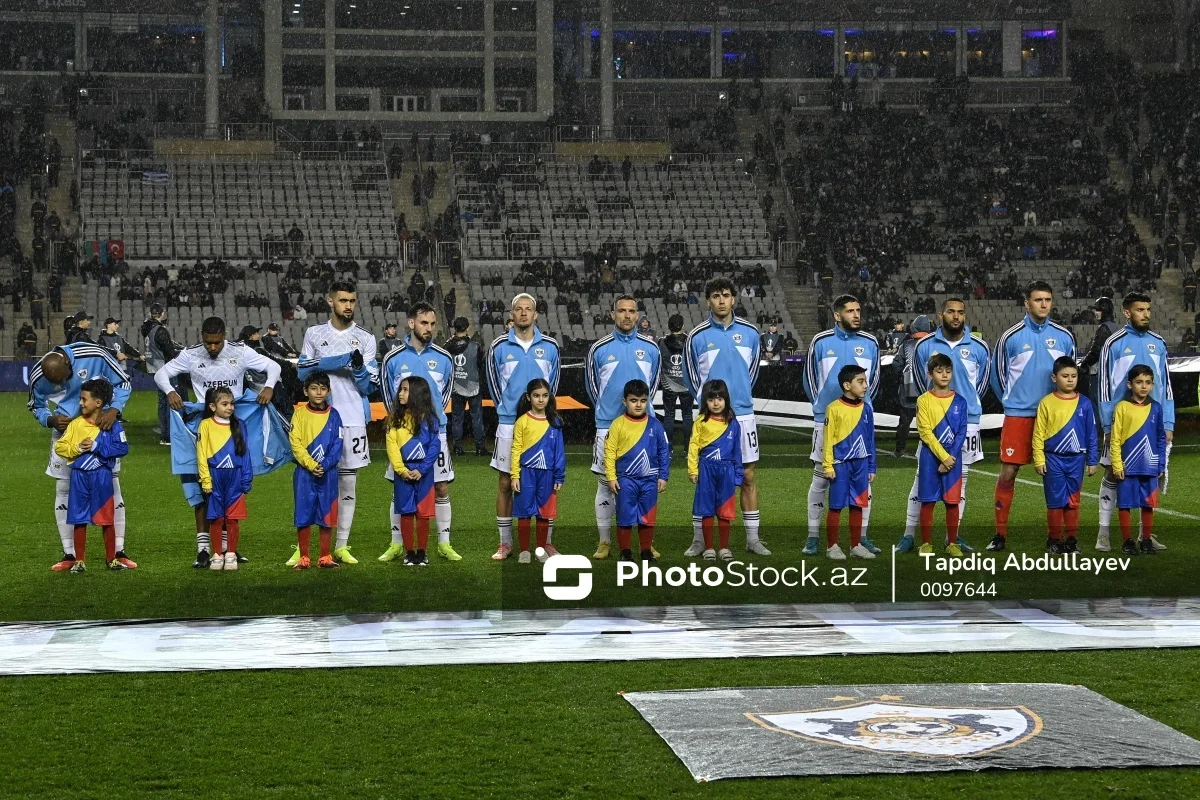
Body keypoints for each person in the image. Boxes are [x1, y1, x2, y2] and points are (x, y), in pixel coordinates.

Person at [155, 316, 281, 568]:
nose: (212, 347)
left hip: (232, 426)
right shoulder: (191, 355)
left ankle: (225, 549)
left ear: (225, 335)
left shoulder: (241, 352)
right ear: (202, 337)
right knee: (202, 489)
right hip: (203, 427)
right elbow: (161, 374)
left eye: (217, 342)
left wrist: (268, 387)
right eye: (208, 342)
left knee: (229, 490)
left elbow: (274, 368)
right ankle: (204, 549)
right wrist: (170, 391)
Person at [683, 278, 769, 557]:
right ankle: (700, 541)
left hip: (742, 415)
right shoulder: (696, 337)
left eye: (726, 295)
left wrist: (738, 399)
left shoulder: (751, 333)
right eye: (716, 296)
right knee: (705, 479)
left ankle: (753, 539)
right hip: (710, 420)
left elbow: (752, 372)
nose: (721, 300)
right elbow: (692, 377)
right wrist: (709, 409)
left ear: (734, 299)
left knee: (748, 476)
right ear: (708, 300)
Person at [28, 343, 132, 572]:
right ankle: (70, 554)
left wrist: (114, 410)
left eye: (62, 378)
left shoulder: (94, 354)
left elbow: (123, 381)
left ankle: (118, 551)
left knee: (112, 488)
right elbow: (35, 406)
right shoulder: (38, 374)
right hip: (66, 434)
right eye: (53, 381)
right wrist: (49, 419)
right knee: (64, 490)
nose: (59, 384)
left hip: (102, 429)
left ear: (67, 363)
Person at [988, 281, 1075, 551]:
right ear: (1027, 303)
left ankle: (1055, 538)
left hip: (1055, 417)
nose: (1044, 304)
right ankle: (1000, 535)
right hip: (1019, 417)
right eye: (1038, 300)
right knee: (1009, 472)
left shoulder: (1064, 337)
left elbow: (1071, 375)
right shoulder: (1010, 337)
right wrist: (1014, 402)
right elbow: (997, 376)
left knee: (1056, 476)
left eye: (1048, 299)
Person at [295, 281, 378, 566]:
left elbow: (368, 387)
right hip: (316, 419)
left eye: (352, 301)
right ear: (331, 302)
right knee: (309, 482)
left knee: (347, 485)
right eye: (343, 300)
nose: (349, 306)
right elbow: (302, 372)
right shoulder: (314, 333)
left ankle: (339, 545)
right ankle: (303, 547)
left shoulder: (366, 339)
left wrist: (356, 368)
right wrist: (341, 360)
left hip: (352, 418)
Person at [902, 298, 990, 552]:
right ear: (941, 314)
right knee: (921, 481)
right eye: (951, 311)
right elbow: (921, 382)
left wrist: (967, 406)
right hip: (933, 421)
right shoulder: (924, 345)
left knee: (960, 482)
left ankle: (953, 537)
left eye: (960, 312)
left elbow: (981, 384)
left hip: (967, 421)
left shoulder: (979, 347)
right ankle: (910, 535)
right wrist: (935, 407)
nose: (956, 316)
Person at [379, 302, 460, 562]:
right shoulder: (393, 358)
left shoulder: (444, 358)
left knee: (441, 487)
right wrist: (399, 423)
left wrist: (432, 421)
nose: (429, 328)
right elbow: (386, 395)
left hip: (434, 433)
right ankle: (396, 544)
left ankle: (443, 543)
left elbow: (445, 395)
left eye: (433, 324)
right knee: (400, 488)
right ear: (411, 323)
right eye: (424, 323)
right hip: (402, 433)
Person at [801, 294, 881, 556]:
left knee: (862, 482)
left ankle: (861, 538)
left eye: (858, 310)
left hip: (859, 420)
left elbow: (875, 381)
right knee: (822, 479)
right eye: (850, 311)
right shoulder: (821, 342)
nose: (856, 315)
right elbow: (810, 379)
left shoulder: (870, 343)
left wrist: (863, 408)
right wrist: (822, 408)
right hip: (827, 419)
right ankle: (814, 536)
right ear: (837, 315)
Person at [1096, 292, 1174, 552]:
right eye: (1140, 309)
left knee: (1149, 476)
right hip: (1121, 423)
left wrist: (1169, 422)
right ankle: (1104, 533)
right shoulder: (1113, 343)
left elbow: (1166, 385)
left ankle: (1145, 536)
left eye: (1148, 309)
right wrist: (1108, 426)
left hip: (1152, 423)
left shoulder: (1158, 343)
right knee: (1112, 472)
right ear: (1127, 312)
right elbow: (1104, 386)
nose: (1146, 314)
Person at [586, 295, 661, 559]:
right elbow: (592, 387)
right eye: (621, 311)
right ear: (613, 315)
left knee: (644, 484)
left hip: (642, 428)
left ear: (638, 315)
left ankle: (645, 543)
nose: (627, 316)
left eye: (631, 311)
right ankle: (605, 541)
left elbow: (651, 388)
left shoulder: (651, 349)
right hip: (607, 426)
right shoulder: (599, 349)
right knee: (606, 484)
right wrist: (610, 413)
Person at [486, 293, 561, 560]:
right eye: (518, 309)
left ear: (536, 314)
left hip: (543, 425)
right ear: (512, 314)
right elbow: (495, 387)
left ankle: (546, 542)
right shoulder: (498, 347)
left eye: (528, 309)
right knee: (506, 482)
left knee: (547, 483)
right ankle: (505, 543)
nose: (524, 313)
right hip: (509, 425)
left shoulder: (550, 347)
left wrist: (544, 414)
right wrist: (508, 411)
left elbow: (553, 386)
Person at [52, 378, 132, 573]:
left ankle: (111, 560)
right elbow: (60, 446)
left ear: (98, 403)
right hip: (79, 476)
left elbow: (122, 448)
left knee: (107, 519)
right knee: (79, 518)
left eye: (84, 399)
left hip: (102, 475)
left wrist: (97, 446)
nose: (80, 403)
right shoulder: (76, 425)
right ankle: (79, 561)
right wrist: (77, 448)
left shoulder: (112, 425)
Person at [1032, 357, 1098, 555]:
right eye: (1065, 376)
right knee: (1055, 501)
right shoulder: (1046, 403)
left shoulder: (1085, 404)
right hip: (1053, 459)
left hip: (1076, 460)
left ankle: (1071, 539)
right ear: (1054, 377)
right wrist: (1039, 458)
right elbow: (1038, 434)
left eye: (1074, 376)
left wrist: (1092, 460)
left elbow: (1091, 433)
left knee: (1072, 501)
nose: (1070, 380)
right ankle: (1054, 539)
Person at [604, 379, 670, 564]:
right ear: (624, 401)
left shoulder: (655, 425)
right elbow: (609, 452)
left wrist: (663, 476)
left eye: (642, 400)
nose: (638, 404)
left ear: (648, 400)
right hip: (626, 480)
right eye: (634, 400)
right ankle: (625, 551)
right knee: (624, 515)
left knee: (647, 516)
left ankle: (646, 550)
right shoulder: (617, 425)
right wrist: (611, 477)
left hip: (649, 480)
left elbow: (663, 451)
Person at [911, 354, 968, 557]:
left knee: (952, 502)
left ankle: (952, 543)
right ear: (930, 374)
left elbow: (961, 432)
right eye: (939, 370)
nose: (944, 375)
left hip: (953, 459)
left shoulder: (960, 401)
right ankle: (926, 543)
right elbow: (925, 432)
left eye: (948, 371)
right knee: (927, 501)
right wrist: (944, 457)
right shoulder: (923, 400)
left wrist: (949, 458)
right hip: (931, 458)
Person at [821, 364, 878, 561]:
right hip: (840, 464)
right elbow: (828, 439)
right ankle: (833, 547)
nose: (865, 386)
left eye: (865, 381)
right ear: (847, 385)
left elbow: (870, 439)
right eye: (860, 382)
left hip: (861, 465)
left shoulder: (867, 409)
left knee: (858, 505)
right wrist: (827, 465)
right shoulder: (833, 409)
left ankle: (855, 545)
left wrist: (871, 466)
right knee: (836, 506)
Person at [1109, 365, 1166, 556]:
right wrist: (1117, 464)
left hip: (1149, 466)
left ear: (1152, 385)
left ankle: (1146, 540)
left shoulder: (1156, 408)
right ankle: (1127, 541)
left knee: (1148, 504)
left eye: (1148, 383)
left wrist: (1160, 464)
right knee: (1125, 504)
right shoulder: (1122, 407)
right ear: (1130, 384)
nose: (1144, 386)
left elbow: (1160, 438)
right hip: (1127, 466)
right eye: (1139, 382)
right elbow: (1115, 439)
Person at [289, 371, 344, 570]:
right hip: (305, 473)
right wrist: (312, 465)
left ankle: (325, 557)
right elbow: (295, 443)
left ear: (329, 391)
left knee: (327, 514)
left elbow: (338, 444)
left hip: (328, 473)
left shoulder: (335, 415)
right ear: (306, 391)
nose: (318, 392)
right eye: (314, 388)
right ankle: (304, 558)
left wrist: (325, 465)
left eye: (322, 388)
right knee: (303, 514)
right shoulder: (299, 414)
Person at [385, 375, 441, 567]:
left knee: (423, 514)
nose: (400, 393)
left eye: (405, 390)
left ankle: (422, 552)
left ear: (417, 393)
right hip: (404, 473)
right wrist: (401, 470)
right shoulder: (395, 419)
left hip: (423, 474)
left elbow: (435, 445)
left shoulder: (430, 419)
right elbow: (391, 446)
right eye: (401, 389)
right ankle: (409, 552)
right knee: (406, 513)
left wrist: (423, 469)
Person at [197, 386, 254, 572]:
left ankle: (231, 554)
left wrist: (246, 478)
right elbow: (201, 454)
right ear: (213, 407)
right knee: (216, 518)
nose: (230, 407)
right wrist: (206, 480)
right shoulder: (205, 425)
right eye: (225, 404)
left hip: (235, 477)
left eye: (231, 404)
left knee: (232, 519)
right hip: (215, 477)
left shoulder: (239, 426)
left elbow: (246, 455)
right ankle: (217, 555)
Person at [510, 378, 566, 564]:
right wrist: (514, 475)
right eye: (536, 396)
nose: (541, 400)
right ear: (529, 397)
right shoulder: (522, 421)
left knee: (544, 513)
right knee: (524, 513)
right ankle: (524, 551)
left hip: (548, 475)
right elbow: (516, 449)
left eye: (544, 395)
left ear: (549, 397)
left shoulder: (555, 422)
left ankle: (541, 549)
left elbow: (559, 452)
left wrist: (559, 475)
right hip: (527, 474)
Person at [688, 379, 743, 561]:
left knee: (725, 510)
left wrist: (738, 475)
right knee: (707, 510)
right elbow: (693, 446)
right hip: (706, 470)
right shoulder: (701, 422)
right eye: (711, 399)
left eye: (719, 398)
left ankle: (724, 548)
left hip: (726, 471)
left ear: (726, 399)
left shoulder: (733, 424)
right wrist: (693, 470)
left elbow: (737, 451)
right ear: (706, 401)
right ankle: (709, 548)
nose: (716, 403)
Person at [892, 315, 935, 457]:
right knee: (931, 422)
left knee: (904, 422)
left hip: (908, 389)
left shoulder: (906, 345)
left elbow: (896, 365)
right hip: (930, 391)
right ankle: (931, 448)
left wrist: (901, 378)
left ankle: (900, 449)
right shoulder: (933, 344)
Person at [1078, 296, 1121, 435]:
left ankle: (1095, 439)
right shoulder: (1116, 328)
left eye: (1098, 310)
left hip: (1099, 374)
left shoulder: (1104, 328)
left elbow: (1095, 352)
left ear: (1105, 311)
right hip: (1113, 375)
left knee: (1096, 407)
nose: (1096, 313)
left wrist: (1082, 365)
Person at [142, 304, 183, 445]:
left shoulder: (146, 328)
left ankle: (164, 435)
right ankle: (170, 435)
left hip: (154, 367)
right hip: (165, 369)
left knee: (162, 402)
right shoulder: (160, 330)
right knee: (171, 401)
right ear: (161, 313)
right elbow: (169, 352)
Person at [446, 317, 488, 457]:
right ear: (467, 328)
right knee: (477, 418)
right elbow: (481, 365)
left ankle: (458, 447)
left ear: (454, 329)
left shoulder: (448, 347)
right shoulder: (475, 346)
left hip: (456, 386)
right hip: (473, 385)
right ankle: (480, 448)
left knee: (457, 418)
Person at [657, 313, 694, 452]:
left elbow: (658, 362)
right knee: (687, 415)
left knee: (669, 416)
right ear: (683, 326)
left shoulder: (661, 342)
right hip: (686, 384)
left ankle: (669, 448)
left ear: (669, 326)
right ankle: (687, 449)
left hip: (668, 383)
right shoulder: (689, 341)